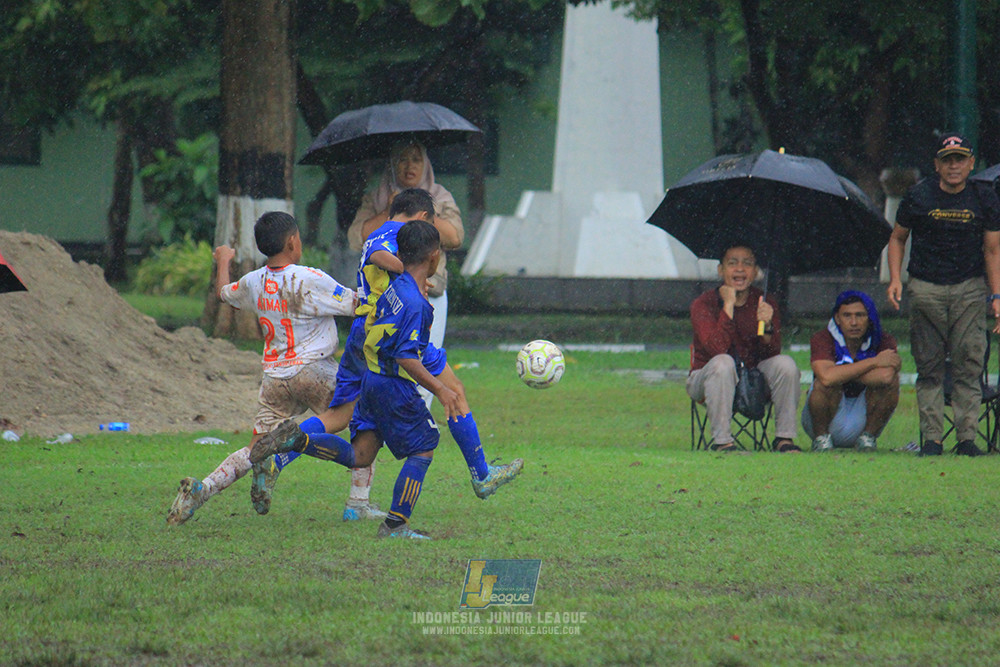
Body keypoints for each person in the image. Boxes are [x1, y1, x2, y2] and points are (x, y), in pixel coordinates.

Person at [251, 220, 523, 539]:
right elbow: (406, 356)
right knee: (422, 450)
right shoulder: (416, 303)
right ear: (434, 258)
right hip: (393, 387)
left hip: (371, 382)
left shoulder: (393, 288)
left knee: (360, 456)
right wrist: (441, 390)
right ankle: (395, 525)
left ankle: (298, 440)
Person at [167, 211, 363, 525]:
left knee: (256, 448)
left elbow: (224, 294)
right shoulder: (309, 278)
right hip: (315, 370)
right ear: (292, 242)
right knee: (363, 420)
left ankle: (202, 490)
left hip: (274, 379)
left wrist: (223, 259)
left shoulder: (255, 281)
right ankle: (358, 503)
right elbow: (359, 305)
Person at [248, 190, 433, 521]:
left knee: (348, 426)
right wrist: (409, 274)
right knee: (412, 436)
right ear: (421, 219)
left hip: (362, 335)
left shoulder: (381, 233)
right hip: (379, 334)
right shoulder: (389, 235)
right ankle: (368, 506)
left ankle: (351, 500)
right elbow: (378, 254)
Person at [887, 133, 1000, 457]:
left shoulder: (985, 198)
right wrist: (895, 279)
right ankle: (932, 440)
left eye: (960, 159)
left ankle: (966, 438)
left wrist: (997, 296)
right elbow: (897, 239)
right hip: (926, 288)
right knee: (929, 366)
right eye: (948, 160)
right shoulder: (919, 196)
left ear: (971, 164)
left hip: (969, 287)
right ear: (937, 165)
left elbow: (993, 250)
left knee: (969, 362)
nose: (954, 166)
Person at [348, 139, 463, 408]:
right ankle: (395, 419)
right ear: (392, 164)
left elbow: (455, 237)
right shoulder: (377, 196)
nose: (409, 165)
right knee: (389, 364)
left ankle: (420, 414)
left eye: (416, 159)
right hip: (384, 301)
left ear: (426, 165)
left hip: (429, 291)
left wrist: (420, 213)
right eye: (402, 159)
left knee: (424, 358)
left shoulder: (441, 197)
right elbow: (360, 237)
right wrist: (392, 210)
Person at [686, 244, 802, 452]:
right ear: (721, 270)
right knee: (723, 362)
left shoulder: (765, 302)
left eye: (747, 264)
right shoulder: (703, 304)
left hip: (752, 378)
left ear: (756, 272)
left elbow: (771, 353)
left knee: (786, 364)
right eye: (733, 263)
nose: (740, 269)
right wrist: (728, 306)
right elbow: (717, 348)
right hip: (705, 378)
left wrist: (767, 326)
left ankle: (784, 439)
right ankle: (723, 442)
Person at [802, 291, 901, 452]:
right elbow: (827, 377)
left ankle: (867, 438)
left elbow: (886, 376)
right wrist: (873, 362)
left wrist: (842, 373)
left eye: (860, 315)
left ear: (869, 317)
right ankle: (821, 439)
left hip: (862, 415)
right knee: (823, 384)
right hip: (826, 416)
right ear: (837, 318)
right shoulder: (823, 338)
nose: (854, 322)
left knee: (893, 382)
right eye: (847, 316)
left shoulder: (882, 339)